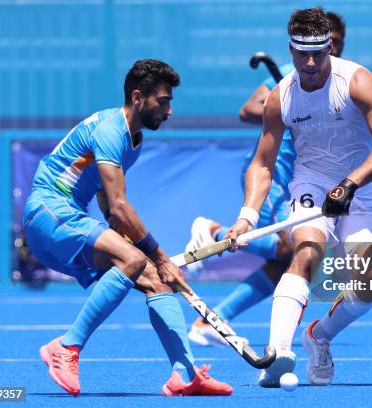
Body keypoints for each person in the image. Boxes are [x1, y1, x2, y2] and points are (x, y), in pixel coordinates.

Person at [23, 59, 232, 397]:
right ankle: (66, 346)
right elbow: (120, 207)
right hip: (48, 212)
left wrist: (148, 259)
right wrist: (161, 255)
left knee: (153, 279)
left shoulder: (132, 141)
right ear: (138, 98)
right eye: (162, 102)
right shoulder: (110, 130)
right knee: (140, 261)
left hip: (66, 217)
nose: (168, 111)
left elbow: (108, 204)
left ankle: (185, 373)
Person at [225, 7, 372, 387]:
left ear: (330, 49)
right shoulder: (280, 98)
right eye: (302, 53)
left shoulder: (356, 80)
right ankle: (275, 356)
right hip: (310, 183)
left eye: (319, 53)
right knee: (306, 253)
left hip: (362, 186)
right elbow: (262, 164)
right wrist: (246, 217)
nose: (310, 62)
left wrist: (350, 184)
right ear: (290, 49)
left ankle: (319, 335)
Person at [186, 11, 347, 347]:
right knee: (292, 247)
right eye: (321, 45)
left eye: (334, 46)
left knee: (288, 260)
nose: (325, 53)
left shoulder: (340, 80)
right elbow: (247, 110)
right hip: (274, 171)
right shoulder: (293, 75)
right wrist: (292, 110)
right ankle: (212, 231)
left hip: (299, 178)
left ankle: (210, 321)